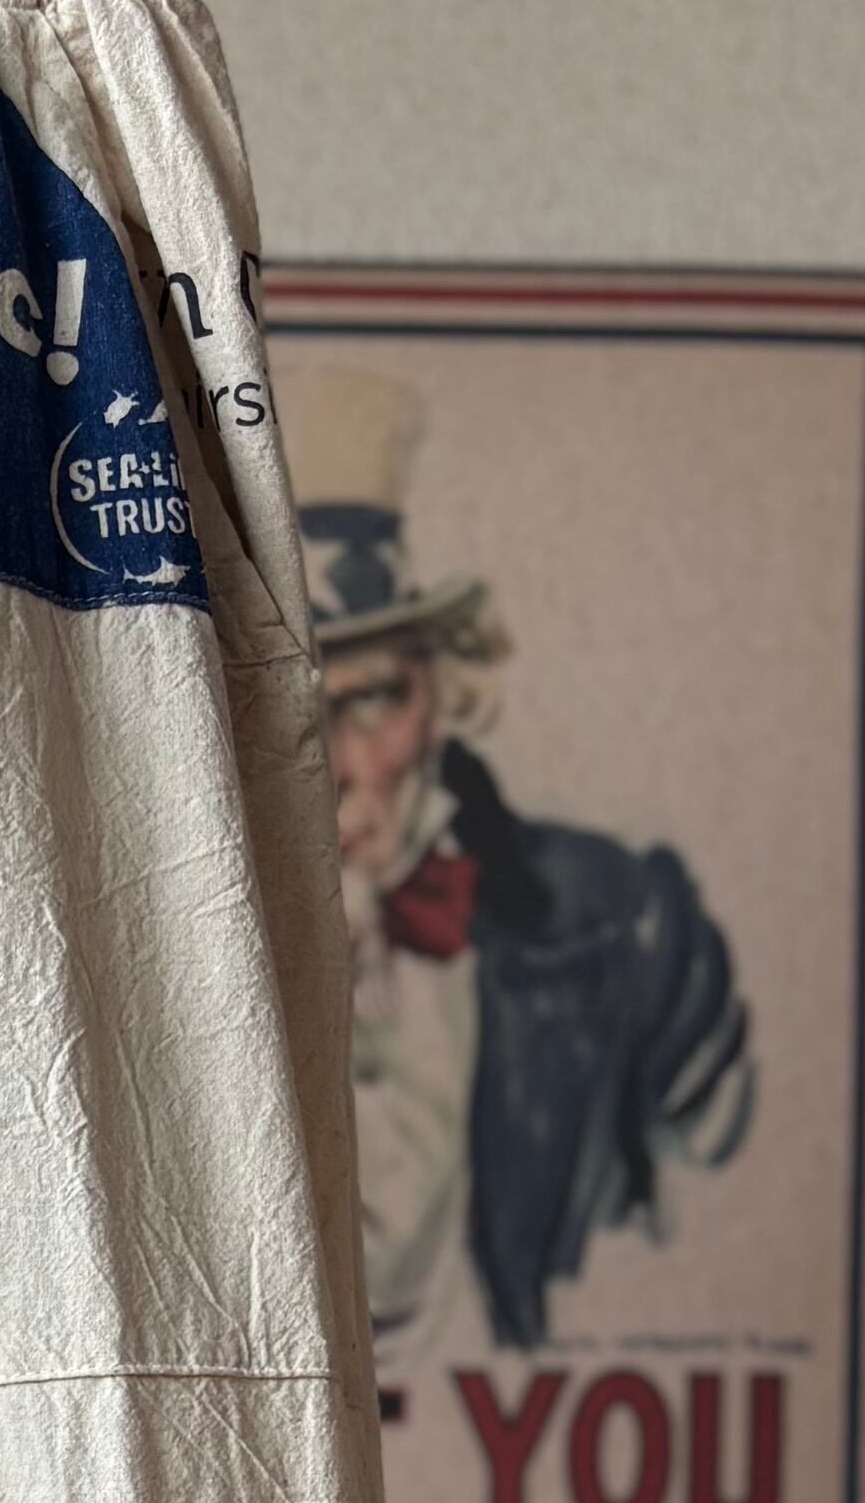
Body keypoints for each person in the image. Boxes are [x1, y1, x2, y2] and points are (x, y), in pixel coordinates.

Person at [291, 366, 753, 1358]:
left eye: (370, 700)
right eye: (283, 715)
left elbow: (724, 1250)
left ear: (439, 696)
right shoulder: (137, 968)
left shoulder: (630, 925)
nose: (338, 767)